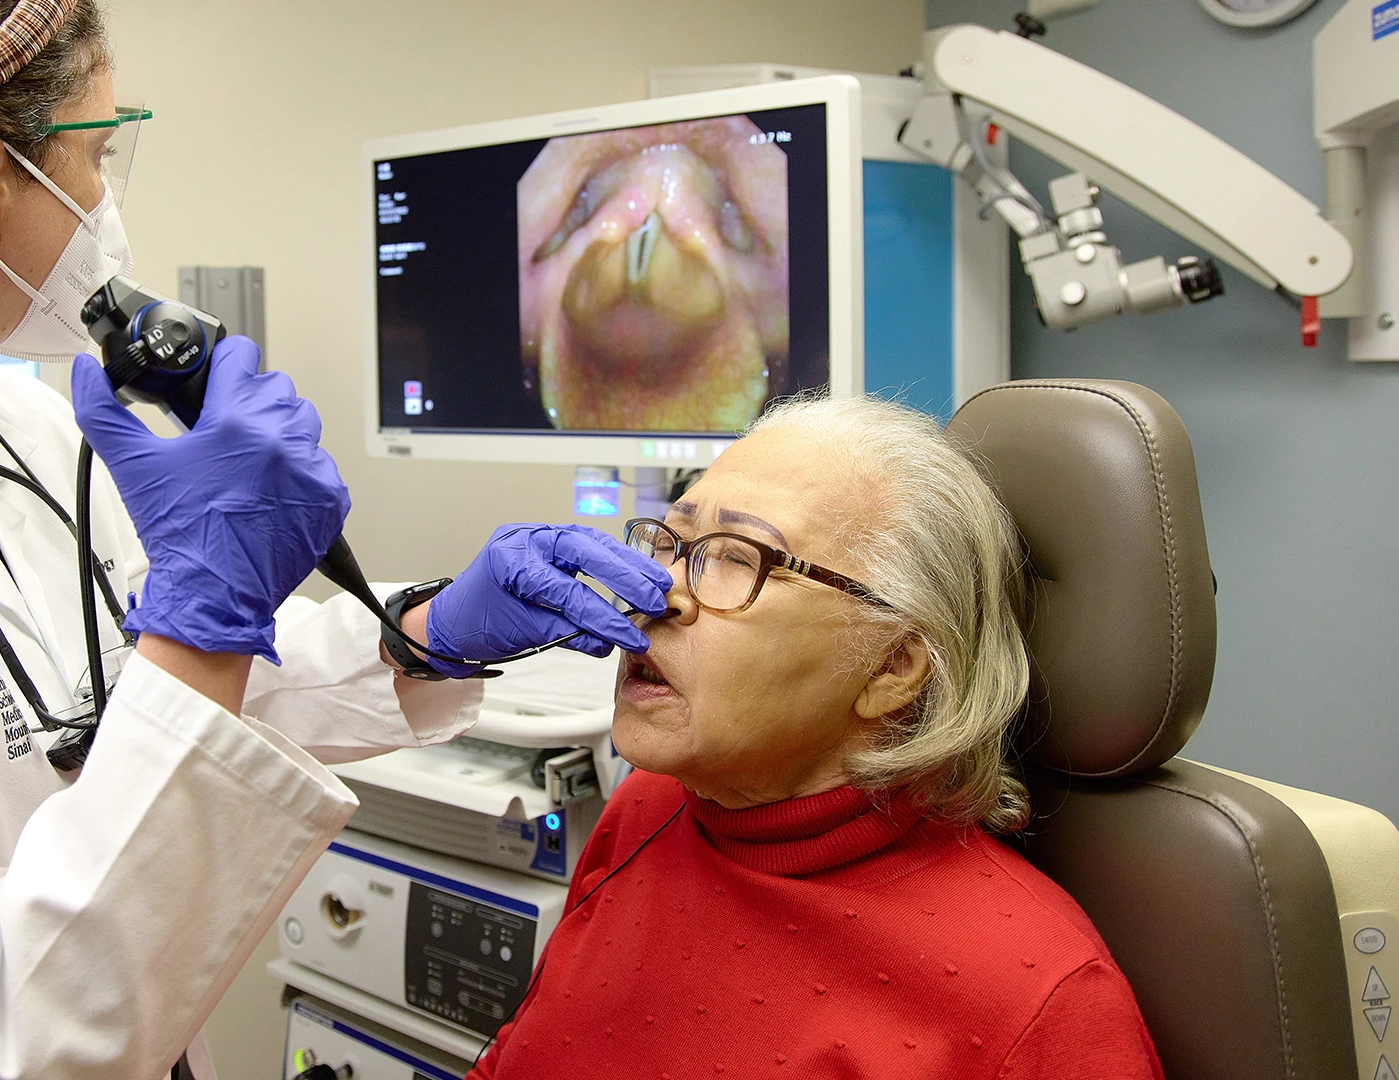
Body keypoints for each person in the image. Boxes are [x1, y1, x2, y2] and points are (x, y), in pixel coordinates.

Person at [0, 2, 669, 1078]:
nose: (103, 198)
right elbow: (5, 1040)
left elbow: (162, 713)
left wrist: (421, 633)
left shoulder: (22, 428)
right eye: (99, 153)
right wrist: (205, 613)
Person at [467, 395, 1165, 1080]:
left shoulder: (1041, 1004)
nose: (659, 592)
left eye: (738, 557)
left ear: (892, 666)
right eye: (671, 544)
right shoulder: (649, 806)